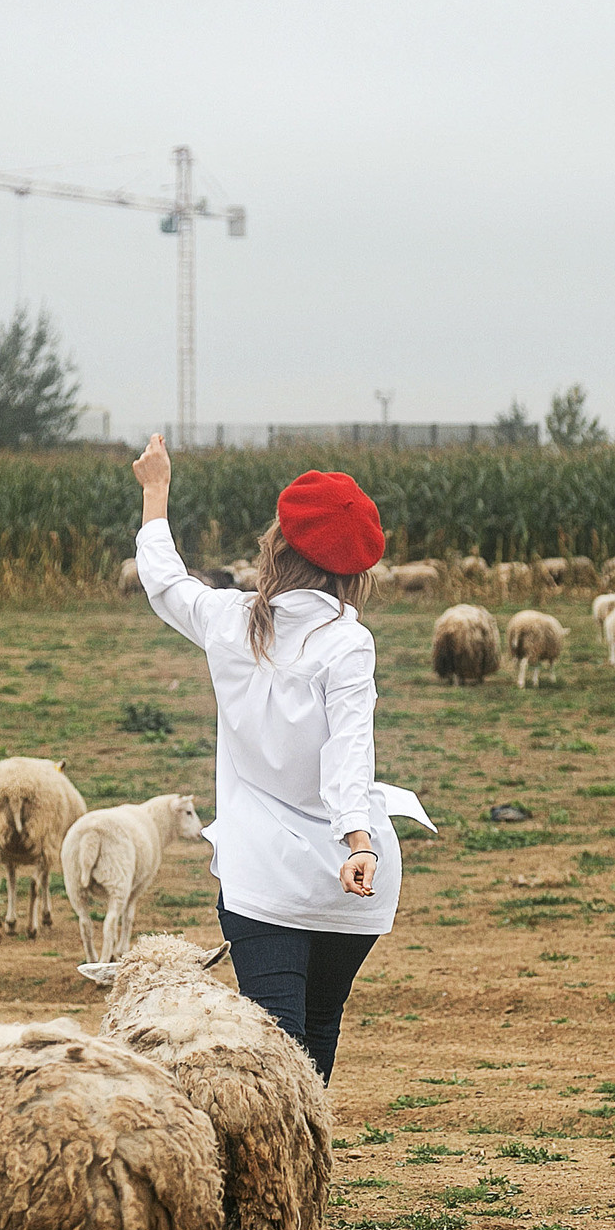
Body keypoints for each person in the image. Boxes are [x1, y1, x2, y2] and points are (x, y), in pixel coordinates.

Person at [127, 432, 414, 1081]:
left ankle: (280, 1172)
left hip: (264, 878)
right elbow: (348, 752)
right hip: (351, 877)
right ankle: (302, 1169)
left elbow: (164, 581)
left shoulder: (229, 620)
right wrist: (359, 841)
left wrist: (156, 493)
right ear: (355, 567)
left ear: (276, 549)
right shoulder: (347, 640)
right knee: (319, 1025)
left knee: (275, 1039)